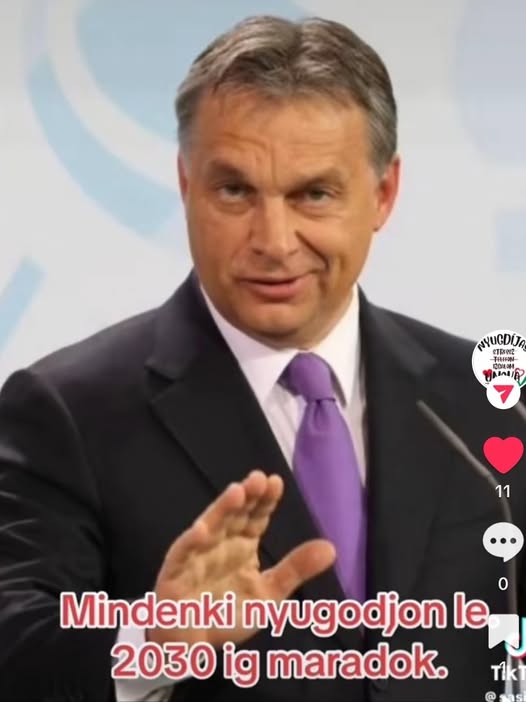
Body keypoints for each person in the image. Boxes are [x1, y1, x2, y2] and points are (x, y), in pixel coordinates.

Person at [0, 13, 525, 702]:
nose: (274, 241)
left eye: (314, 194)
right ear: (186, 185)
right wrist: (153, 644)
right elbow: (14, 650)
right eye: (235, 191)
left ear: (383, 195)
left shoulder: (488, 403)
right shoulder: (67, 411)